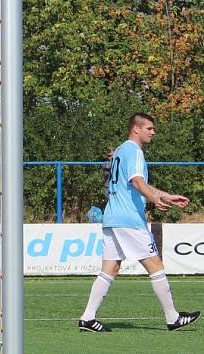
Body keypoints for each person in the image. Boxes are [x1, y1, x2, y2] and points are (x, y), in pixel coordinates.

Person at [79, 112, 199, 333]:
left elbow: (135, 184)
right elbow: (136, 182)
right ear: (136, 129)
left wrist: (165, 195)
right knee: (155, 265)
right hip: (129, 219)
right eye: (149, 128)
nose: (153, 132)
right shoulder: (134, 151)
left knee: (111, 268)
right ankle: (173, 318)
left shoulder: (120, 150)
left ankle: (87, 318)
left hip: (113, 218)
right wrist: (155, 199)